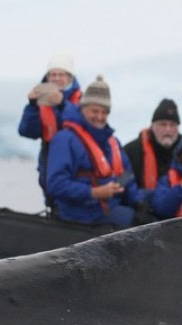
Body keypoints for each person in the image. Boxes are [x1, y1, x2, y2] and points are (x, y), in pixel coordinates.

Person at [45, 75, 143, 227]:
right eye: (94, 111)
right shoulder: (65, 139)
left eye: (104, 112)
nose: (99, 116)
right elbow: (55, 184)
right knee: (131, 223)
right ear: (83, 109)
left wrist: (140, 204)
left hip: (108, 210)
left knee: (146, 219)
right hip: (78, 216)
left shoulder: (112, 142)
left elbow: (127, 177)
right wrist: (94, 192)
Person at [17, 54, 82, 204]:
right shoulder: (40, 102)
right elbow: (26, 131)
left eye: (61, 74)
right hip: (50, 159)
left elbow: (85, 124)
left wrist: (62, 104)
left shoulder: (82, 100)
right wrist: (32, 104)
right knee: (54, 197)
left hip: (76, 159)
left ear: (70, 77)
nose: (57, 78)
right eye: (53, 74)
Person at [123, 98, 181, 196]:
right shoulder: (130, 151)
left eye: (172, 125)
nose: (168, 130)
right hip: (143, 207)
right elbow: (122, 184)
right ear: (152, 126)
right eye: (163, 124)